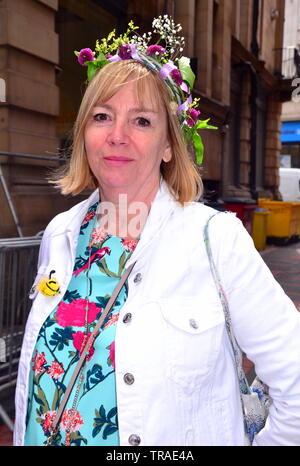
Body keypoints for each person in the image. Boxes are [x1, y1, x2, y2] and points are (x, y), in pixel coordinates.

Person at [14, 16, 300, 447]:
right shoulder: (61, 233)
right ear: (84, 133)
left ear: (169, 145)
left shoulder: (215, 240)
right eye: (102, 116)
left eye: (142, 121)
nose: (117, 135)